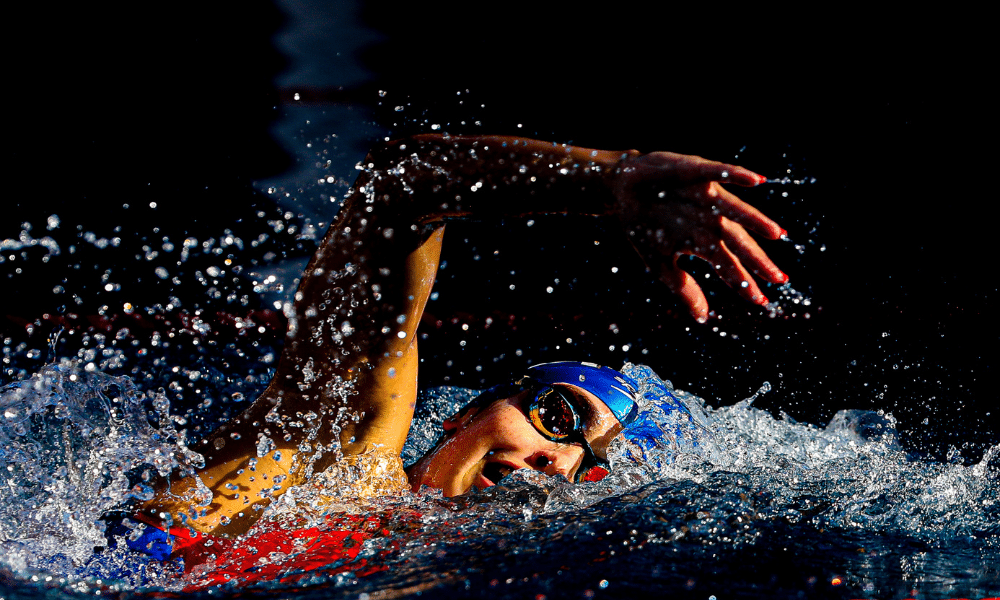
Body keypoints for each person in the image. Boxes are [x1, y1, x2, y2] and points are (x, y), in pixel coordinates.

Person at [129, 134, 788, 556]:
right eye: (559, 418)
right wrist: (610, 181)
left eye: (591, 471)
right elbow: (396, 184)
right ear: (467, 410)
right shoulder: (330, 449)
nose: (555, 463)